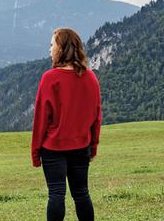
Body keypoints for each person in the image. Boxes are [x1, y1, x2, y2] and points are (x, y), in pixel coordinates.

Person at [31, 28, 102, 221]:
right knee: (81, 193)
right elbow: (96, 117)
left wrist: (35, 153)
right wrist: (93, 147)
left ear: (62, 48)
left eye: (52, 44)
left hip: (53, 148)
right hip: (81, 147)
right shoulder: (90, 78)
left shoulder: (50, 78)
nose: (50, 49)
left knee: (56, 194)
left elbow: (40, 120)